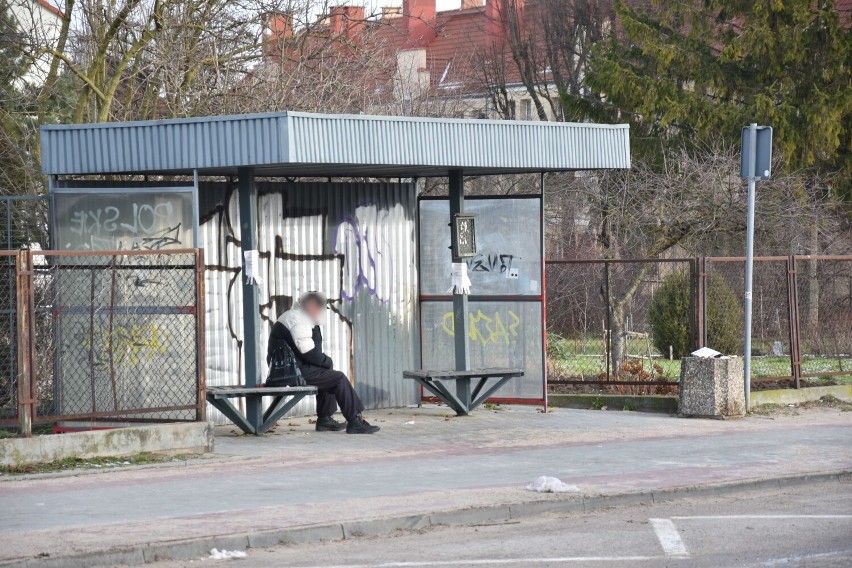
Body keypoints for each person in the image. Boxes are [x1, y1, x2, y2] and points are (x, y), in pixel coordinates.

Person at [269, 292, 380, 434]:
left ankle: (325, 419)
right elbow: (307, 351)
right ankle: (354, 420)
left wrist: (325, 363)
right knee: (338, 378)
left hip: (290, 367)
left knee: (328, 374)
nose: (321, 312)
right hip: (290, 370)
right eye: (319, 308)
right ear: (310, 306)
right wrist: (327, 361)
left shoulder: (301, 317)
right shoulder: (297, 319)